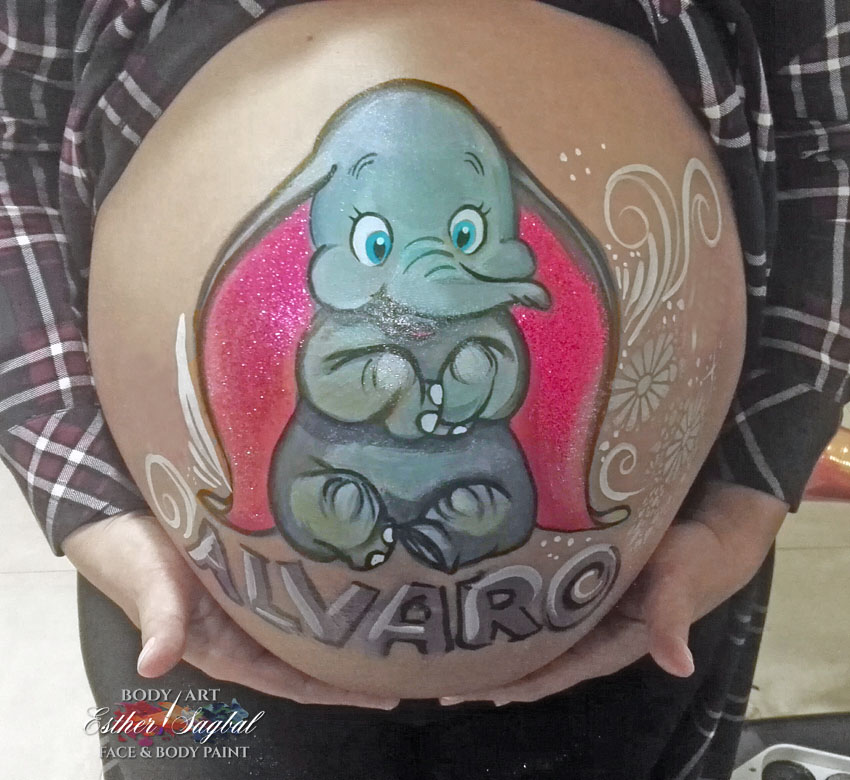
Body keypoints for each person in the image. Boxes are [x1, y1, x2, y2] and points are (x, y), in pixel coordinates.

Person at [0, 1, 846, 779]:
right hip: (182, 612)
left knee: (501, 513)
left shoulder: (487, 324)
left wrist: (747, 498)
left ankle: (457, 521)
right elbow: (14, 125)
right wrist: (89, 501)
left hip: (644, 611)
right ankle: (345, 516)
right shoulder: (340, 335)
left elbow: (826, 138)